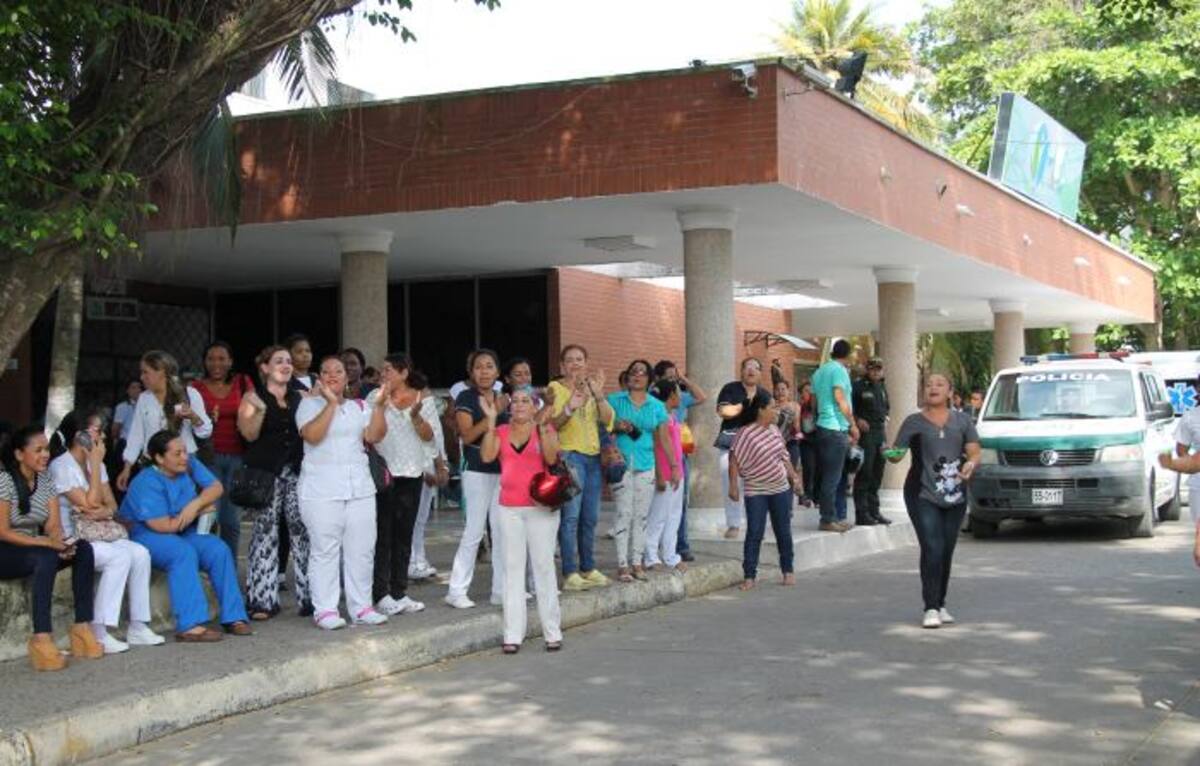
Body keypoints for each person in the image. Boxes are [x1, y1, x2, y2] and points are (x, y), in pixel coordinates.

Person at [118, 430, 252, 641]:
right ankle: (190, 624)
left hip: (181, 529)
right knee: (182, 552)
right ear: (159, 458)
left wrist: (196, 503)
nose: (184, 457)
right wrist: (199, 510)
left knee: (218, 549)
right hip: (147, 534)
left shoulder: (187, 465)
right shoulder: (146, 482)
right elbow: (163, 526)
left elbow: (216, 487)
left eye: (185, 452)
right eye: (177, 453)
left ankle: (234, 616)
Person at [50, 412, 164, 653]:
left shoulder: (98, 464)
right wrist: (93, 470)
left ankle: (138, 625)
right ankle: (98, 632)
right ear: (80, 436)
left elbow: (110, 505)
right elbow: (90, 501)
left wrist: (102, 509)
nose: (102, 435)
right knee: (119, 557)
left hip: (101, 532)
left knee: (140, 553)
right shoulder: (61, 466)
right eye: (97, 430)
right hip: (77, 538)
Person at [296, 356, 389, 629]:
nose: (332, 375)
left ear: (346, 377)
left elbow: (374, 436)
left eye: (338, 371)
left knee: (362, 549)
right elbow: (312, 436)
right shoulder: (307, 404)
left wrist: (380, 407)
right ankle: (325, 609)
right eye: (326, 372)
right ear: (319, 378)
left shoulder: (359, 406)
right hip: (321, 489)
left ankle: (361, 607)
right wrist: (331, 404)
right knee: (325, 549)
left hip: (359, 486)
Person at [0, 425, 103, 670]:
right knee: (44, 558)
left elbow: (53, 526)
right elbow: (2, 531)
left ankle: (81, 627)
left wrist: (61, 544)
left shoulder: (45, 480)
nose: (45, 454)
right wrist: (45, 543)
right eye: (38, 450)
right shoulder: (4, 480)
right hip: (5, 550)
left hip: (32, 549)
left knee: (83, 550)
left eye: (46, 449)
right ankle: (41, 637)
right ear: (18, 454)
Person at [885, 373, 981, 629]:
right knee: (932, 546)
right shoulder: (913, 422)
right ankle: (930, 607)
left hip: (956, 493)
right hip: (921, 493)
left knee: (946, 549)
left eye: (939, 384)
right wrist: (890, 454)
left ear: (950, 392)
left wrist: (971, 463)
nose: (933, 388)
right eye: (928, 385)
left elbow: (974, 450)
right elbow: (897, 453)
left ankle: (940, 603)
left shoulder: (963, 421)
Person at [479, 389, 563, 654]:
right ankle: (512, 634)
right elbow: (487, 456)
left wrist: (544, 428)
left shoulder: (544, 428)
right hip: (509, 508)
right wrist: (491, 420)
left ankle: (552, 631)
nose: (519, 405)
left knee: (543, 566)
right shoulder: (501, 431)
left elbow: (551, 458)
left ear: (534, 405)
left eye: (525, 400)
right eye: (514, 401)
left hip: (540, 508)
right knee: (512, 569)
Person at [237, 345, 311, 620]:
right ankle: (261, 600)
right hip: (266, 475)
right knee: (265, 534)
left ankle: (311, 598)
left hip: (297, 471)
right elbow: (249, 435)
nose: (286, 365)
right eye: (279, 361)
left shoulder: (302, 396)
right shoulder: (253, 397)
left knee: (303, 531)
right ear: (265, 367)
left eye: (288, 361)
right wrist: (256, 411)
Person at [367, 353, 437, 616]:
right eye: (382, 370)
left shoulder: (422, 398)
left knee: (404, 534)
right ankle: (380, 593)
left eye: (389, 370)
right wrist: (380, 405)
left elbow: (431, 437)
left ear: (404, 372)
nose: (383, 374)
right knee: (382, 535)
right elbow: (368, 434)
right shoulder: (374, 398)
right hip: (383, 475)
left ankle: (399, 591)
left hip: (412, 473)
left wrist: (417, 419)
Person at [446, 349, 511, 609]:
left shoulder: (504, 398)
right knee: (474, 530)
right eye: (479, 367)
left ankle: (500, 589)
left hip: (503, 471)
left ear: (497, 372)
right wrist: (493, 414)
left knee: (501, 532)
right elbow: (467, 435)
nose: (484, 371)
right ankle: (456, 590)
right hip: (476, 470)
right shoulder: (466, 397)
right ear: (471, 373)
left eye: (489, 366)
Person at [546, 344, 614, 591]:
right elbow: (553, 423)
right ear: (562, 366)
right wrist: (570, 406)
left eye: (580, 359)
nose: (575, 364)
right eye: (570, 360)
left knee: (590, 518)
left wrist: (598, 395)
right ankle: (570, 572)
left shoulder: (593, 389)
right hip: (570, 457)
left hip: (593, 459)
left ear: (586, 363)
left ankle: (588, 567)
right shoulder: (555, 388)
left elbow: (608, 421)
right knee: (570, 518)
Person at [608, 359, 675, 582]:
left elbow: (663, 438)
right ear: (627, 377)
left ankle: (637, 562)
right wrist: (616, 426)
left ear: (649, 379)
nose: (637, 376)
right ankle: (622, 564)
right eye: (633, 372)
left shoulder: (656, 406)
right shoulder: (615, 400)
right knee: (623, 513)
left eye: (642, 373)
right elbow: (602, 425)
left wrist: (673, 466)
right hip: (621, 464)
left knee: (641, 516)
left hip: (646, 465)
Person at [729, 397, 800, 591]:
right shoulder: (745, 433)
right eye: (772, 408)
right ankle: (749, 576)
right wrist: (733, 486)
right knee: (755, 532)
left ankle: (788, 570)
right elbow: (734, 459)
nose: (776, 411)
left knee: (783, 530)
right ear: (760, 410)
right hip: (755, 490)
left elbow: (784, 456)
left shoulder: (775, 431)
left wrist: (794, 478)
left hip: (779, 489)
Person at [116, 350, 213, 493]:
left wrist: (192, 416)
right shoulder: (144, 398)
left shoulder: (190, 394)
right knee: (154, 509)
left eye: (145, 372)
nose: (142, 377)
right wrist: (127, 467)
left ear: (162, 372)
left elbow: (205, 432)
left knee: (182, 509)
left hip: (182, 462)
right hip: (152, 463)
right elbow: (136, 435)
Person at [190, 341, 255, 546]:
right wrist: (205, 417)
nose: (216, 363)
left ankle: (229, 570)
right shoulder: (195, 388)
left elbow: (255, 412)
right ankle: (207, 568)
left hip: (238, 456)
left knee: (231, 520)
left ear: (230, 361)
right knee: (208, 515)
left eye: (221, 358)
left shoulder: (242, 382)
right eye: (211, 359)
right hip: (208, 458)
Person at [652, 360, 706, 563]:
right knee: (659, 509)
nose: (673, 380)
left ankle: (677, 547)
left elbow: (701, 396)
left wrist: (683, 379)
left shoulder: (678, 397)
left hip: (680, 453)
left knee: (678, 504)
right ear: (657, 378)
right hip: (662, 458)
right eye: (669, 376)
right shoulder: (655, 401)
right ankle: (652, 553)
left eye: (675, 376)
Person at [715, 358, 772, 539]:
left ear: (761, 373)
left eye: (756, 367)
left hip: (756, 445)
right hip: (731, 442)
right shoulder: (730, 389)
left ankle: (755, 525)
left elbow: (771, 418)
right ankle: (733, 524)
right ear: (741, 371)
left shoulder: (764, 394)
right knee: (730, 484)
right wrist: (743, 406)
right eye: (747, 367)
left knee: (756, 486)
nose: (751, 370)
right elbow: (723, 411)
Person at [811, 340, 858, 533]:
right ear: (847, 355)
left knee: (827, 476)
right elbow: (840, 397)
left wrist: (817, 421)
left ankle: (831, 517)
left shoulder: (819, 371)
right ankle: (827, 519)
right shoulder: (839, 371)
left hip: (822, 426)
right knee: (833, 477)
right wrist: (853, 424)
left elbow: (813, 401)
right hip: (835, 428)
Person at [644, 380, 686, 573]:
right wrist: (661, 475)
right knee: (658, 516)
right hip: (665, 471)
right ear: (671, 396)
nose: (680, 396)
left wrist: (678, 469)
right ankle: (650, 556)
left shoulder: (673, 415)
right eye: (678, 392)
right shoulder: (658, 415)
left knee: (673, 516)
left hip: (677, 472)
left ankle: (670, 555)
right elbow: (655, 446)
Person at [852, 357, 892, 526]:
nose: (876, 371)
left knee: (877, 473)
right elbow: (849, 408)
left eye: (878, 369)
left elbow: (886, 409)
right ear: (867, 369)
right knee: (865, 473)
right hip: (866, 435)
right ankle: (862, 514)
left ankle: (874, 511)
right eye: (873, 368)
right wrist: (857, 419)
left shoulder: (881, 387)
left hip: (879, 433)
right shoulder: (858, 386)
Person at [773, 379, 806, 505]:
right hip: (774, 444)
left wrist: (798, 433)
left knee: (790, 474)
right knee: (778, 475)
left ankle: (788, 507)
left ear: (788, 391)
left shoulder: (795, 406)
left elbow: (797, 424)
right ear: (774, 392)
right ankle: (779, 504)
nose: (780, 392)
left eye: (783, 389)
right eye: (777, 389)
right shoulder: (771, 406)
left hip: (790, 442)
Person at [797, 379, 819, 503]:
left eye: (810, 390)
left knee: (818, 468)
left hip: (818, 440)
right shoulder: (799, 407)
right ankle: (807, 495)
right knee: (808, 468)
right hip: (806, 442)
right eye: (806, 391)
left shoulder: (817, 407)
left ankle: (816, 496)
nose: (809, 393)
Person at [110, 379, 143, 444]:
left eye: (139, 387)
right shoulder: (122, 407)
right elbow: (115, 429)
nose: (137, 390)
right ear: (128, 391)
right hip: (127, 443)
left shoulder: (147, 406)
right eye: (133, 388)